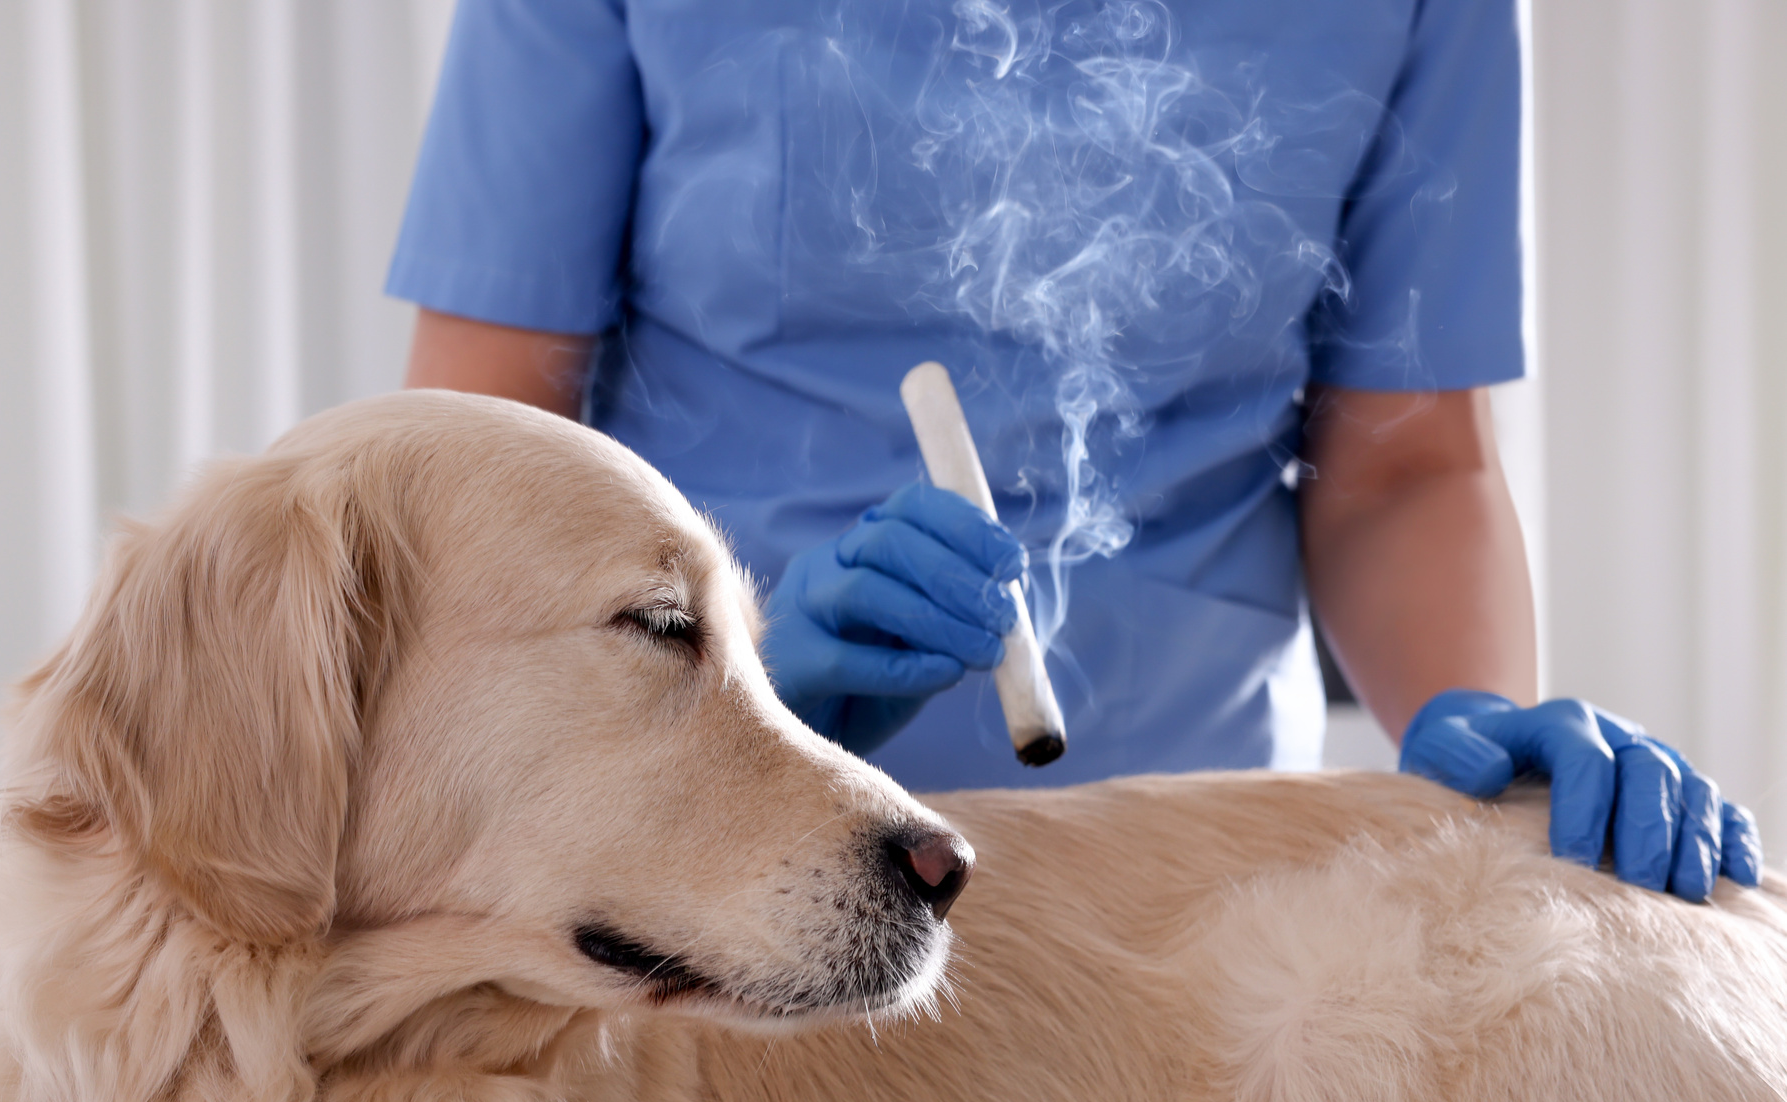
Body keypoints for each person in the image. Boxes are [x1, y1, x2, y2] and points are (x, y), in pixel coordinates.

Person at [387, 0, 1761, 900]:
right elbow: (481, 454)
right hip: (704, 860)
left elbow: (1405, 466)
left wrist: (1474, 730)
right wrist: (733, 674)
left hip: (1193, 872)